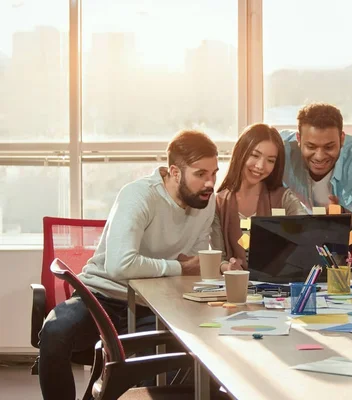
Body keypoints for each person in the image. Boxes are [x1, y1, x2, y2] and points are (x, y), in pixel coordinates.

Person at [38, 130, 219, 400]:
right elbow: (120, 266)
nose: (210, 183)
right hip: (101, 295)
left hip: (152, 305)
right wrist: (180, 267)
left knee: (173, 361)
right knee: (54, 332)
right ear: (175, 172)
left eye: (215, 173)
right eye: (201, 174)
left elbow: (190, 261)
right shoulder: (139, 196)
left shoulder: (206, 202)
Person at [212, 123, 306, 271]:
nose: (261, 166)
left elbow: (308, 235)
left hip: (278, 284)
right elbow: (218, 258)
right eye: (255, 155)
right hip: (237, 284)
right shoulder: (219, 203)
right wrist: (229, 267)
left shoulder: (284, 198)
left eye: (270, 160)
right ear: (241, 153)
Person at [279, 102, 352, 218]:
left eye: (329, 147)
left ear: (342, 139)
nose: (319, 156)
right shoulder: (281, 149)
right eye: (311, 147)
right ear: (298, 138)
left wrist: (342, 214)